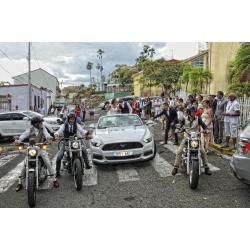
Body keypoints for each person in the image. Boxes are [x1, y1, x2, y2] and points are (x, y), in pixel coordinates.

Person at [15, 116, 59, 192]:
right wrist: (18, 141)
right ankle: (20, 182)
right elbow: (23, 136)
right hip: (31, 149)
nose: (42, 123)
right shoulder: (30, 129)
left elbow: (47, 135)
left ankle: (54, 179)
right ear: (36, 124)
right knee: (25, 164)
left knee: (47, 162)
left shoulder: (43, 128)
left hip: (40, 148)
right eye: (40, 122)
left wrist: (50, 139)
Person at [172, 109, 212, 176]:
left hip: (196, 138)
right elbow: (180, 126)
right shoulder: (184, 119)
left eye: (194, 112)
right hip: (187, 137)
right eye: (192, 112)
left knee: (202, 151)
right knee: (179, 151)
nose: (193, 113)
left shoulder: (198, 119)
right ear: (188, 113)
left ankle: (206, 167)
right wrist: (177, 129)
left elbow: (204, 126)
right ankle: (175, 167)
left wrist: (206, 130)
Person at [54, 112, 91, 177]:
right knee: (59, 156)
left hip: (76, 141)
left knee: (84, 150)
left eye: (73, 119)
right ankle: (57, 171)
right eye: (70, 119)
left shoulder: (76, 125)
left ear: (75, 119)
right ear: (68, 119)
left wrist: (86, 134)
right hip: (66, 141)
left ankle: (87, 164)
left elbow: (82, 130)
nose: (72, 120)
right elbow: (59, 131)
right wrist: (56, 134)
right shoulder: (64, 125)